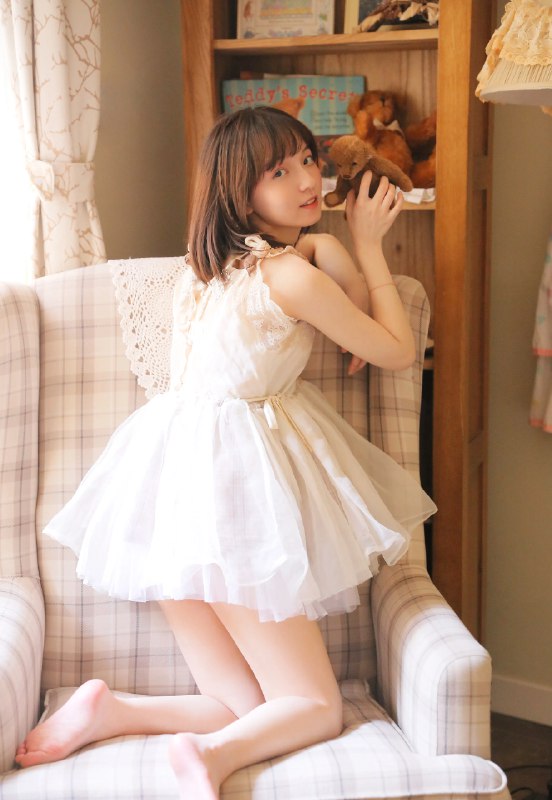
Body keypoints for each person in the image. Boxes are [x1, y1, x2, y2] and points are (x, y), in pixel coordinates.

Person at [15, 106, 436, 798]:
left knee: (243, 704)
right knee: (316, 707)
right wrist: (365, 244)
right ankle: (210, 758)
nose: (308, 180)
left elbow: (327, 287)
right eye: (280, 172)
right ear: (240, 192)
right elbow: (393, 350)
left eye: (308, 160)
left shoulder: (205, 271)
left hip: (163, 498)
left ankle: (109, 710)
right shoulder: (290, 278)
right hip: (234, 500)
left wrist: (324, 248)